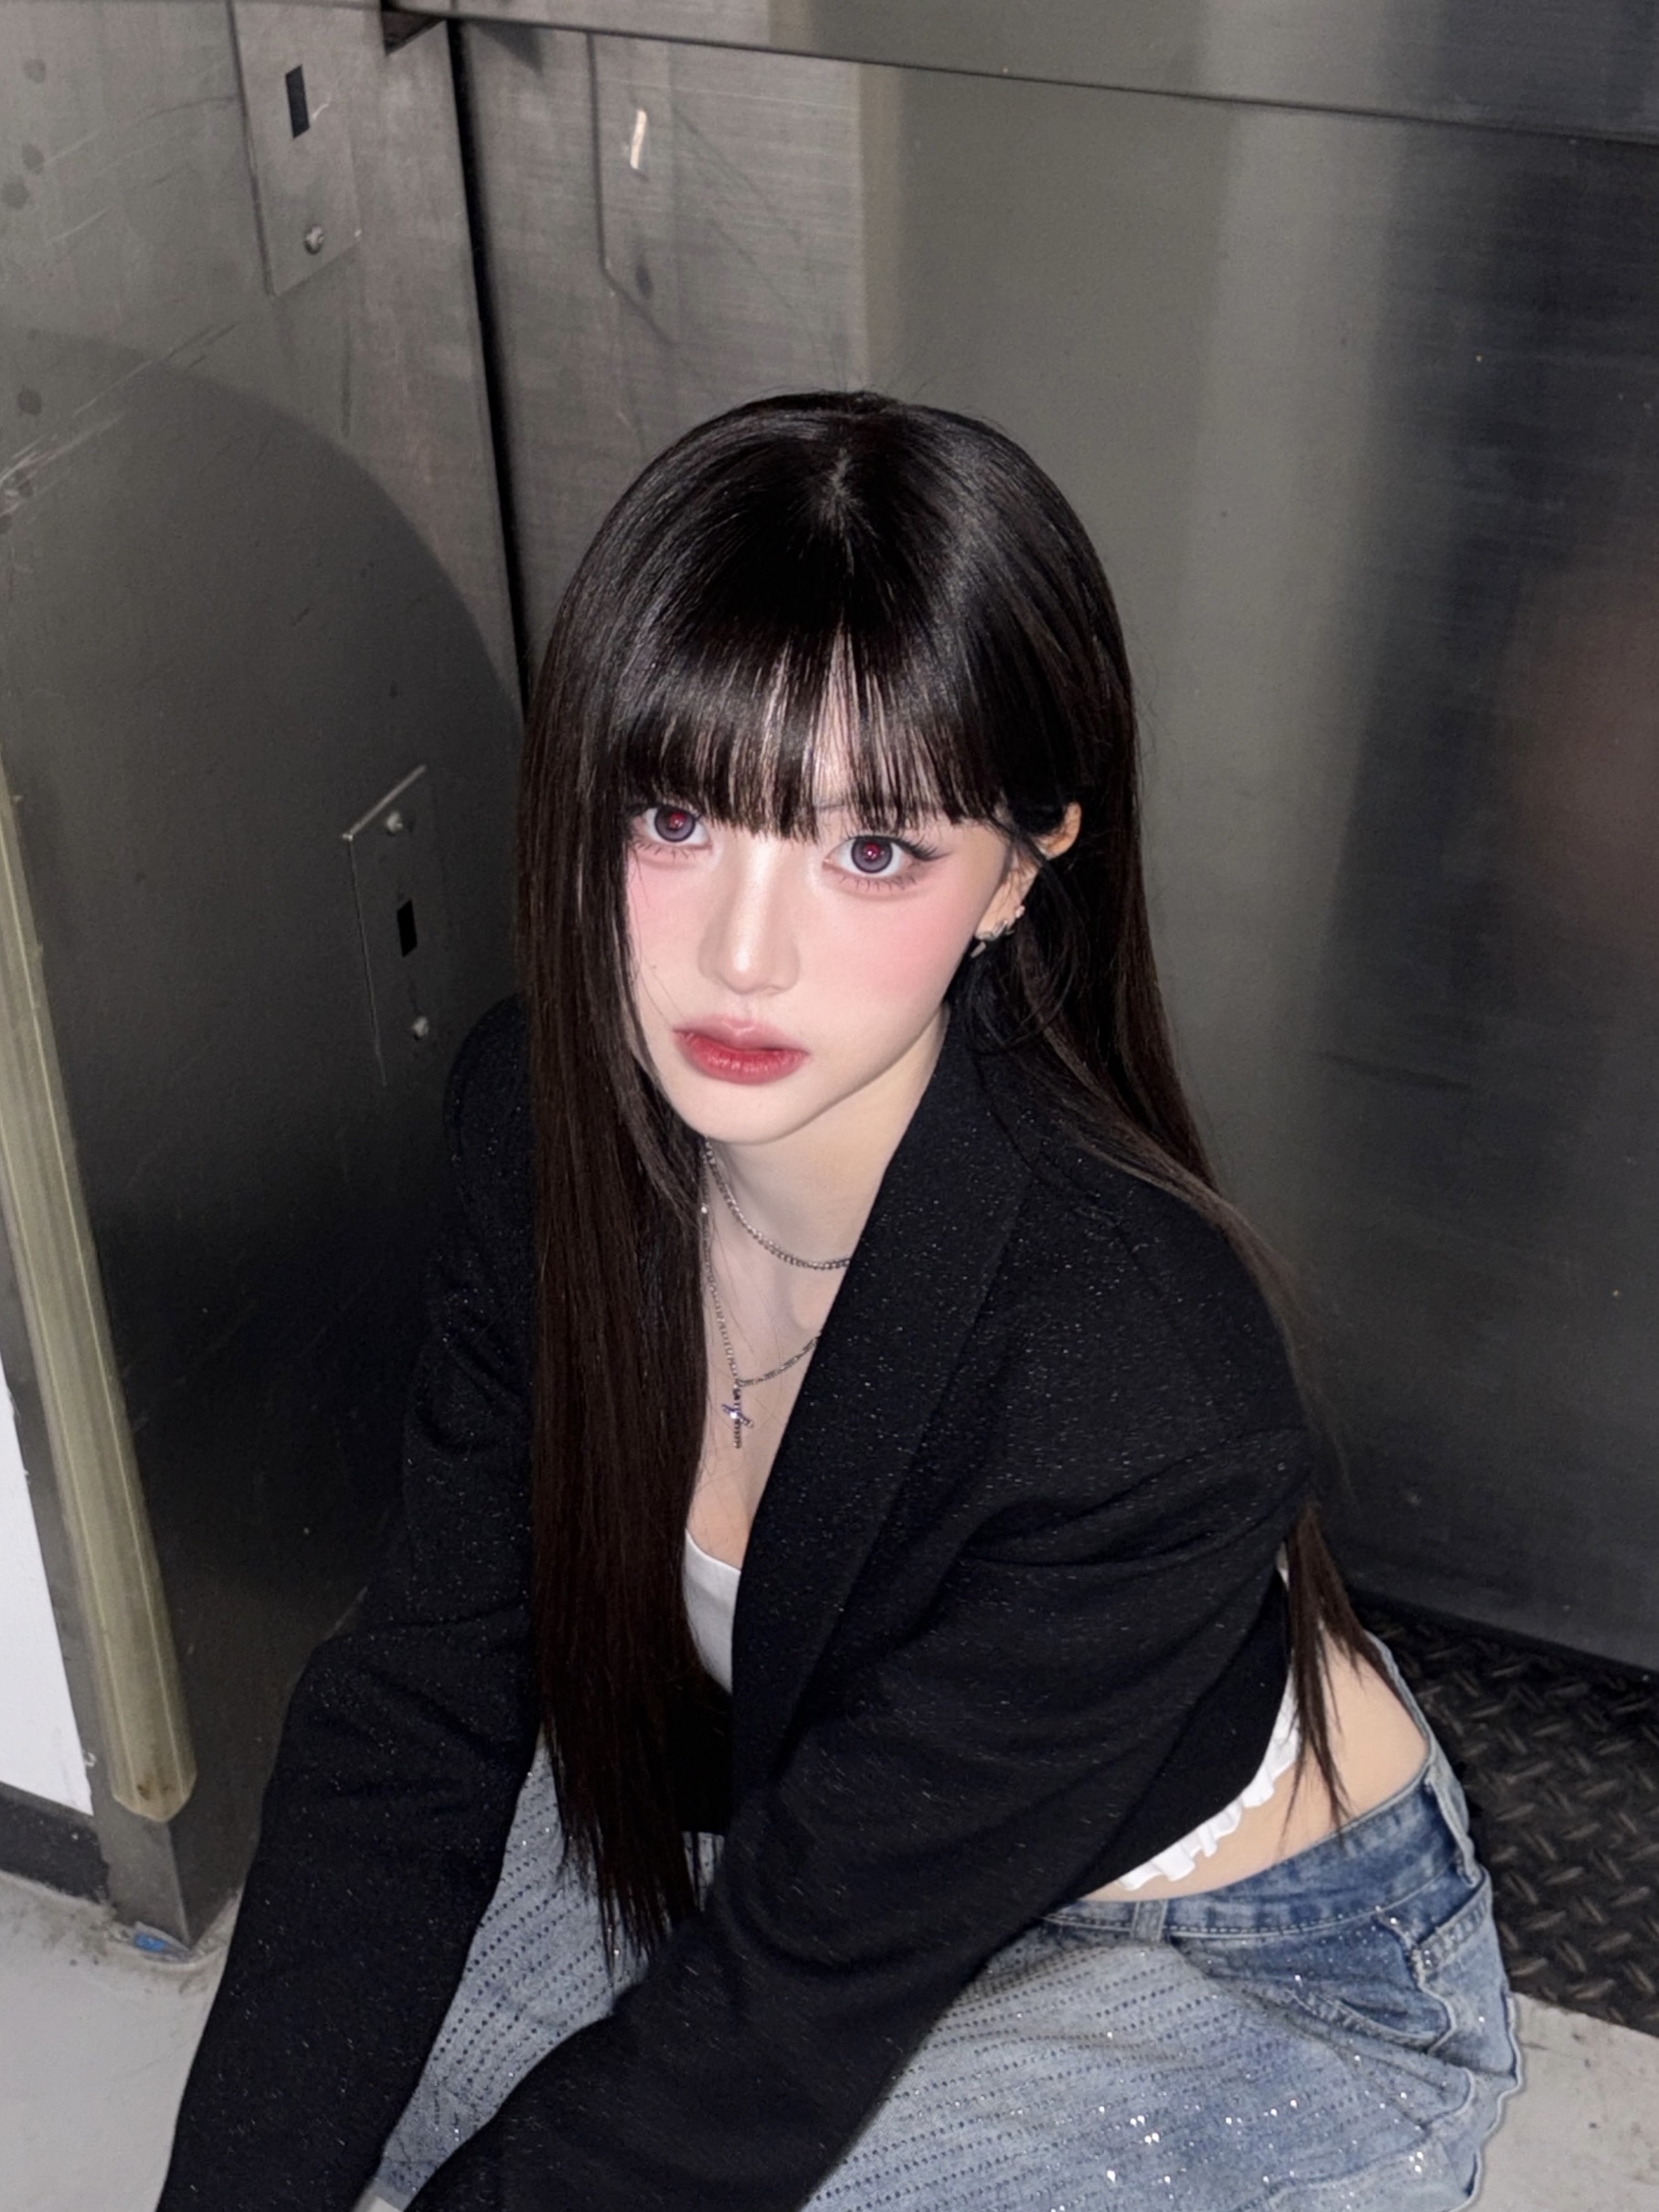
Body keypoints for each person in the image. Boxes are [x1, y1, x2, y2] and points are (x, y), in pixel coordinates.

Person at [159, 392, 1518, 2212]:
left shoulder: (1142, 1378)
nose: (741, 953)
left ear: (1018, 870)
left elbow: (780, 2026)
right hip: (828, 1839)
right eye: (677, 815)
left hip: (1251, 1964)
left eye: (870, 849)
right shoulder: (539, 1132)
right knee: (350, 2089)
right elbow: (410, 1729)